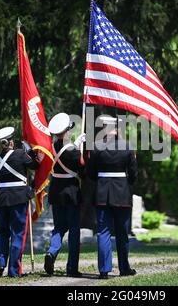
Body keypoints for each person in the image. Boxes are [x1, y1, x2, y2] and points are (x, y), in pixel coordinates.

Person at [87, 115, 138, 279]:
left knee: (103, 232)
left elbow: (91, 173)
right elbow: (133, 174)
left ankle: (104, 270)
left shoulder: (96, 147)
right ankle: (124, 268)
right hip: (122, 194)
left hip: (102, 193)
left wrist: (101, 180)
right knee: (122, 233)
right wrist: (126, 183)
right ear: (117, 129)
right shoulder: (128, 147)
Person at [0, 127, 39, 277]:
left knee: (2, 233)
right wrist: (30, 151)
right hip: (18, 198)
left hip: (2, 199)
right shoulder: (20, 154)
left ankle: (1, 262)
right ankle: (14, 270)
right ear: (11, 142)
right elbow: (35, 165)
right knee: (18, 233)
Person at [44, 113, 86, 277]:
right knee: (74, 230)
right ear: (67, 131)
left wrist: (75, 146)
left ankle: (52, 252)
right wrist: (78, 149)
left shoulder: (51, 147)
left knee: (59, 227)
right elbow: (83, 172)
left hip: (56, 192)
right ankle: (72, 268)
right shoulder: (74, 152)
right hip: (71, 193)